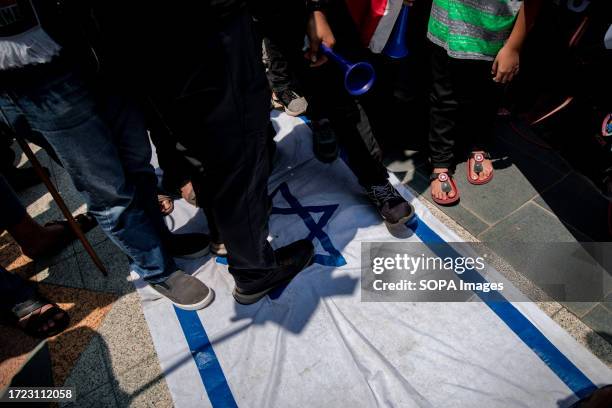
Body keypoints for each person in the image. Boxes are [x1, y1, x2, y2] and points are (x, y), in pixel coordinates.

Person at [93, 0, 315, 305]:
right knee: (241, 154)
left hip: (142, 35)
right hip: (205, 29)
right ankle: (254, 270)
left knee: (196, 138)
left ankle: (223, 231)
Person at [0, 0, 214, 310]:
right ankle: (157, 270)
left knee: (137, 159)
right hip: (37, 69)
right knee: (109, 189)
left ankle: (160, 243)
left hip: (94, 37)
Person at [252, 0, 416, 229]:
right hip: (270, 15)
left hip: (320, 10)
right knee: (302, 69)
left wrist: (315, 9)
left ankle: (375, 180)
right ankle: (320, 119)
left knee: (340, 90)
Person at [426, 0, 528, 205]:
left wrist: (514, 46)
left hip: (497, 35)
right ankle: (441, 163)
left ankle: (479, 144)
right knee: (444, 98)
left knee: (488, 96)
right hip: (447, 27)